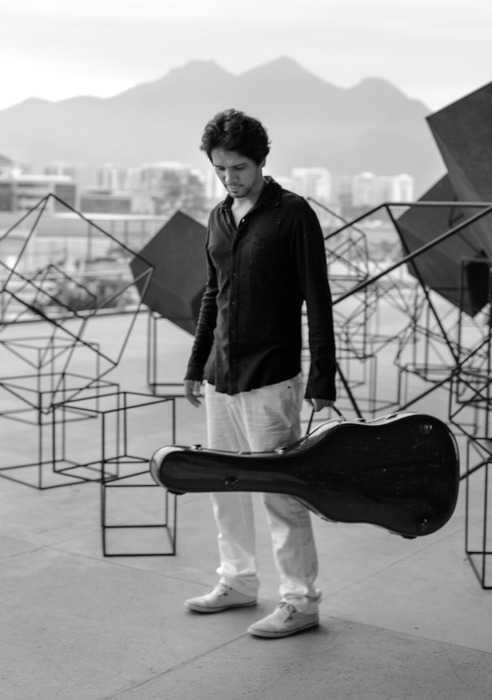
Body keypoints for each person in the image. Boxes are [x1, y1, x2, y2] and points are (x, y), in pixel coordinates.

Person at [183, 108, 337, 639]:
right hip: (220, 375)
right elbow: (213, 294)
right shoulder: (218, 217)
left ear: (262, 161)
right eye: (220, 169)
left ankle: (301, 600)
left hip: (271, 377)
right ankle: (238, 580)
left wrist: (322, 378)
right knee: (224, 486)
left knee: (280, 493)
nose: (230, 178)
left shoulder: (293, 214)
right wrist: (196, 363)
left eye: (239, 168)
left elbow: (318, 298)